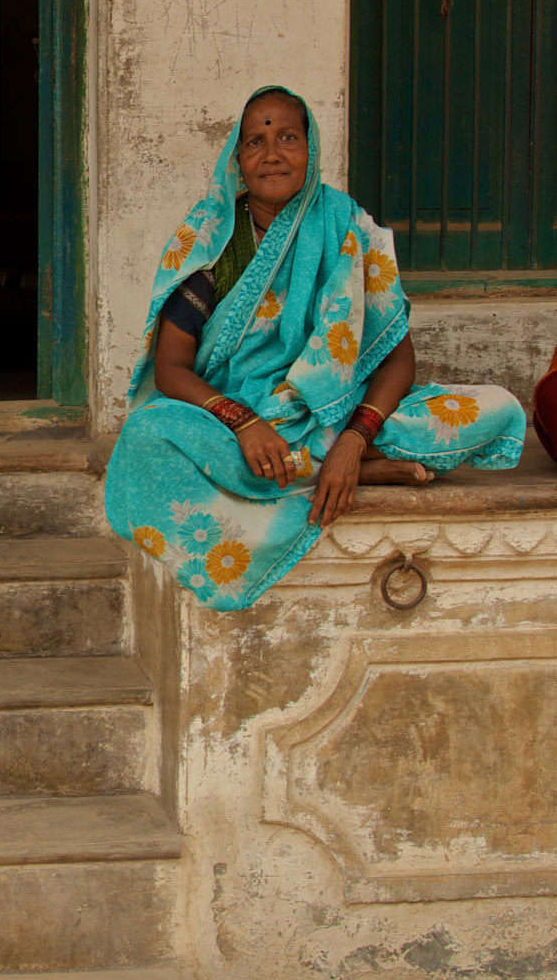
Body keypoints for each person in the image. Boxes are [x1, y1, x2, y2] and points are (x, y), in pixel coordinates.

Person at [105, 87, 525, 609]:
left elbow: (398, 359)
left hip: (339, 416)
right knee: (147, 433)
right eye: (255, 142)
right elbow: (171, 368)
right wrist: (244, 422)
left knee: (496, 407)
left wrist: (353, 440)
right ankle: (351, 471)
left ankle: (333, 463)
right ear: (237, 159)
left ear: (312, 148)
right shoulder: (213, 238)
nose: (272, 154)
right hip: (240, 427)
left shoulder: (347, 228)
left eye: (288, 138)